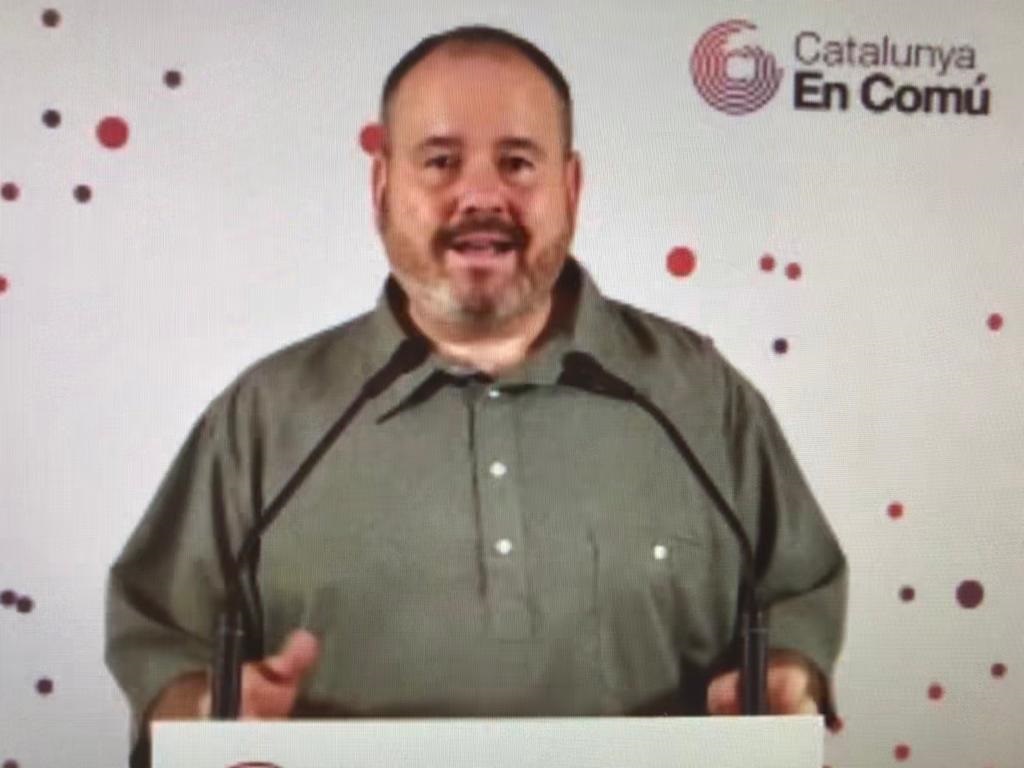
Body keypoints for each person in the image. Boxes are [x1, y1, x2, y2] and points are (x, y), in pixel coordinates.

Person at [105, 23, 847, 766]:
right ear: (381, 188)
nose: (483, 195)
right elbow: (163, 638)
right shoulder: (265, 418)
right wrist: (200, 708)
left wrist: (790, 674)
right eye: (441, 161)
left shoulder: (699, 397)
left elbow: (798, 596)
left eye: (518, 163)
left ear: (571, 188)